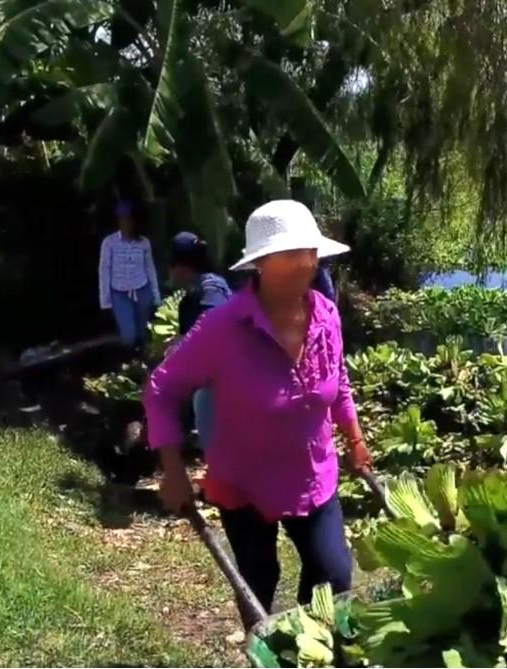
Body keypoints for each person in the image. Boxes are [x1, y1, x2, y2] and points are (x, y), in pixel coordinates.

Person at [143, 199, 371, 629]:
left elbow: (337, 381)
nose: (305, 264)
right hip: (244, 483)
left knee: (334, 576)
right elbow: (161, 389)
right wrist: (173, 470)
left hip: (312, 475)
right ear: (261, 264)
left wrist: (355, 439)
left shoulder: (326, 315)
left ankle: (312, 646)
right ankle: (264, 650)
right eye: (291, 255)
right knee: (260, 581)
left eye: (309, 253)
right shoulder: (223, 328)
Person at [168, 232, 232, 451]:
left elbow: (213, 326)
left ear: (182, 267)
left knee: (205, 402)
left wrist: (181, 345)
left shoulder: (212, 287)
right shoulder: (187, 303)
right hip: (209, 379)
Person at [98, 200, 161, 349]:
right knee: (128, 335)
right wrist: (105, 299)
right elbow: (104, 269)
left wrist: (156, 294)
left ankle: (141, 363)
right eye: (122, 219)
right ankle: (129, 357)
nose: (126, 223)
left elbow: (149, 268)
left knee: (142, 332)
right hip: (119, 292)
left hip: (141, 289)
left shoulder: (144, 243)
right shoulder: (109, 243)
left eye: (128, 219)